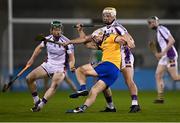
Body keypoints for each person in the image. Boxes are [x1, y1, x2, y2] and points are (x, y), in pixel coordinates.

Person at [69, 7, 141, 113]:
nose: (106, 17)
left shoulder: (119, 27)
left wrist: (129, 42)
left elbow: (130, 41)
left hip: (124, 56)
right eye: (104, 15)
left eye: (108, 15)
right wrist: (81, 31)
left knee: (128, 80)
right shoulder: (102, 30)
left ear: (114, 16)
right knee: (102, 81)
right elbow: (86, 41)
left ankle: (135, 104)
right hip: (112, 59)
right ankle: (110, 106)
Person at [26, 20, 75, 112]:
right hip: (48, 65)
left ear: (61, 30)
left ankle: (40, 105)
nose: (57, 31)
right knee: (29, 78)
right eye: (55, 29)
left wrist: (72, 66)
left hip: (60, 68)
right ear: (51, 30)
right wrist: (32, 59)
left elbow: (72, 58)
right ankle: (36, 101)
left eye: (59, 29)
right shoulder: (47, 39)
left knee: (54, 85)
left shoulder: (67, 42)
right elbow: (38, 48)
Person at [147, 16, 180, 103]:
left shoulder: (161, 29)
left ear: (158, 22)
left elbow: (172, 40)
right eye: (150, 23)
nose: (151, 24)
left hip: (170, 55)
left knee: (175, 77)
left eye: (153, 22)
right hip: (165, 56)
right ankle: (160, 98)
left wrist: (162, 53)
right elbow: (164, 44)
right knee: (158, 75)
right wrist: (158, 54)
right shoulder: (159, 31)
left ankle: (160, 98)